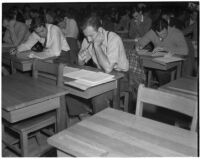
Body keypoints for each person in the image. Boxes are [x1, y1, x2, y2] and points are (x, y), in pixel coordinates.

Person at [66, 15, 129, 116]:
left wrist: (97, 46)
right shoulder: (88, 38)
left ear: (100, 30)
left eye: (91, 35)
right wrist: (80, 59)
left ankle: (101, 124)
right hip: (101, 74)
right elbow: (80, 64)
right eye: (86, 36)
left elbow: (108, 68)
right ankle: (82, 114)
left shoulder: (113, 39)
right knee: (71, 88)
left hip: (121, 76)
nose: (89, 39)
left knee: (98, 95)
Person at [137, 18, 188, 85]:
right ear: (155, 31)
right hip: (158, 60)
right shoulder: (152, 32)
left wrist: (165, 48)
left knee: (161, 71)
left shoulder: (176, 33)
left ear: (167, 28)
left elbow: (185, 50)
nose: (162, 36)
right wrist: (139, 46)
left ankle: (165, 89)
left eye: (164, 33)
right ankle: (142, 90)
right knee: (139, 65)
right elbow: (140, 42)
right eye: (159, 35)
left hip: (173, 61)